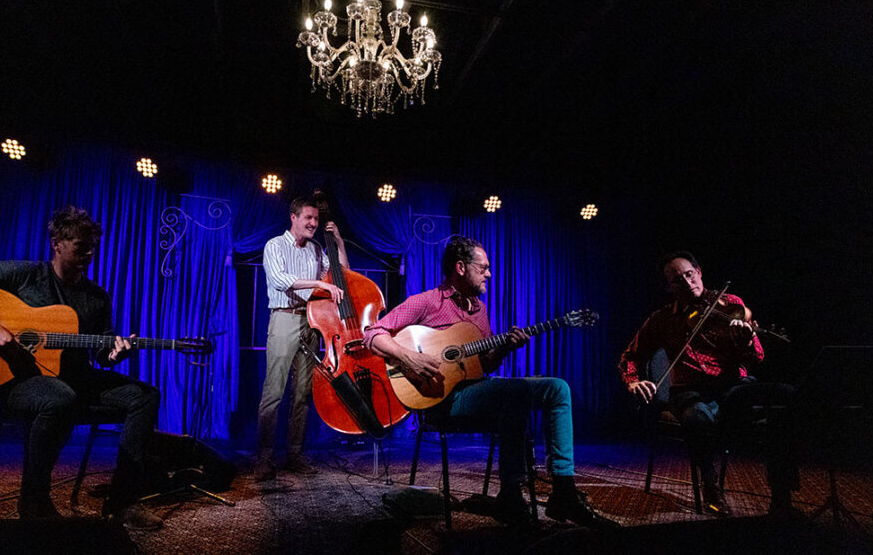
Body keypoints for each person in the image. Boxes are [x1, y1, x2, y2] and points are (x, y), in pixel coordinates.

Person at [0, 206, 163, 530]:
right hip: (22, 381)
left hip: (73, 381)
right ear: (57, 244)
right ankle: (34, 500)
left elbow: (101, 350)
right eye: (82, 246)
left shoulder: (96, 297)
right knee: (59, 397)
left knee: (145, 396)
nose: (90, 253)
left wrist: (114, 354)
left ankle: (122, 501)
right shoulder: (21, 274)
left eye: (93, 246)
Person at [363, 235, 618, 529]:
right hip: (440, 400)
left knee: (557, 388)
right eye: (483, 268)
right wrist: (410, 358)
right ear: (460, 267)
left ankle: (563, 489)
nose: (490, 274)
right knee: (517, 391)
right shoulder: (426, 302)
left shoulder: (479, 310)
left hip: (474, 391)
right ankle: (511, 493)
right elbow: (373, 334)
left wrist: (506, 348)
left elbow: (481, 365)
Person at [619, 251, 798, 517]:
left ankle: (782, 499)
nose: (687, 283)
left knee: (785, 397)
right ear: (669, 287)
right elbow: (631, 355)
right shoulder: (662, 319)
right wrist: (633, 381)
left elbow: (757, 357)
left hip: (734, 387)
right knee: (696, 417)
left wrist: (745, 340)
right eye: (677, 280)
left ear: (699, 272)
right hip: (690, 392)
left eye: (689, 274)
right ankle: (711, 487)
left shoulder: (730, 304)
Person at [254, 196, 348, 481]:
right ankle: (264, 458)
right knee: (274, 392)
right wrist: (317, 283)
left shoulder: (318, 249)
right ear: (293, 217)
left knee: (303, 393)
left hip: (311, 321)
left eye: (316, 219)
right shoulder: (275, 245)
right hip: (284, 317)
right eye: (308, 217)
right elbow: (280, 279)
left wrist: (339, 242)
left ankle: (295, 455)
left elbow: (341, 273)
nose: (313, 223)